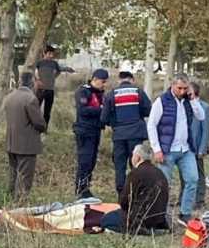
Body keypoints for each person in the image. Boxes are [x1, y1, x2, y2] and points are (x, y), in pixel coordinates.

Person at [147, 73, 205, 223]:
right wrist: (156, 149)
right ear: (172, 85)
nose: (182, 91)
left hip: (185, 149)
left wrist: (193, 99)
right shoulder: (161, 101)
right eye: (179, 88)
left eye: (185, 88)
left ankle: (185, 213)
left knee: (193, 179)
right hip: (167, 150)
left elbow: (201, 116)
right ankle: (161, 215)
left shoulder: (188, 101)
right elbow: (151, 125)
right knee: (164, 184)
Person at [100, 71, 152, 198]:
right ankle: (137, 193)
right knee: (137, 164)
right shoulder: (138, 92)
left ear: (119, 80)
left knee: (119, 165)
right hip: (136, 134)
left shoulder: (111, 94)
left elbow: (104, 118)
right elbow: (148, 110)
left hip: (119, 135)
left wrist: (114, 122)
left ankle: (121, 195)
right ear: (132, 79)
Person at [100, 142, 169, 234]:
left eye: (132, 155)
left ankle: (140, 230)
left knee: (106, 219)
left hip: (140, 218)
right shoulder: (160, 173)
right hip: (159, 219)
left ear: (137, 157)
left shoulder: (136, 173)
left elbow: (124, 201)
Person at [5, 72, 47, 200]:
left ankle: (10, 199)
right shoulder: (30, 99)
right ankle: (20, 203)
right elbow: (39, 123)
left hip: (11, 142)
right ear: (32, 82)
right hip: (26, 144)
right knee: (25, 176)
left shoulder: (9, 97)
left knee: (13, 174)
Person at [73, 68, 109, 199]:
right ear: (95, 79)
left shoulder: (101, 94)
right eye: (103, 81)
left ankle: (86, 187)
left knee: (92, 161)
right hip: (84, 131)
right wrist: (100, 110)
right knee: (85, 161)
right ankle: (80, 189)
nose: (104, 84)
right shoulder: (83, 91)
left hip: (95, 131)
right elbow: (83, 110)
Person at [178, 82, 209, 209]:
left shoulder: (205, 107)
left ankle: (199, 199)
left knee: (199, 174)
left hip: (197, 147)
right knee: (183, 174)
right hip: (184, 146)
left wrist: (202, 148)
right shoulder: (183, 105)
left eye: (188, 89)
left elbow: (206, 129)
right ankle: (182, 197)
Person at [35, 45, 74, 128]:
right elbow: (34, 72)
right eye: (49, 54)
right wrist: (38, 80)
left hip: (50, 89)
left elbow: (59, 70)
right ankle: (35, 126)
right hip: (40, 89)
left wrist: (54, 77)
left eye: (52, 54)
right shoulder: (39, 63)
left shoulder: (54, 63)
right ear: (44, 53)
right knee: (36, 109)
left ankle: (45, 128)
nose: (51, 56)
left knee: (47, 111)